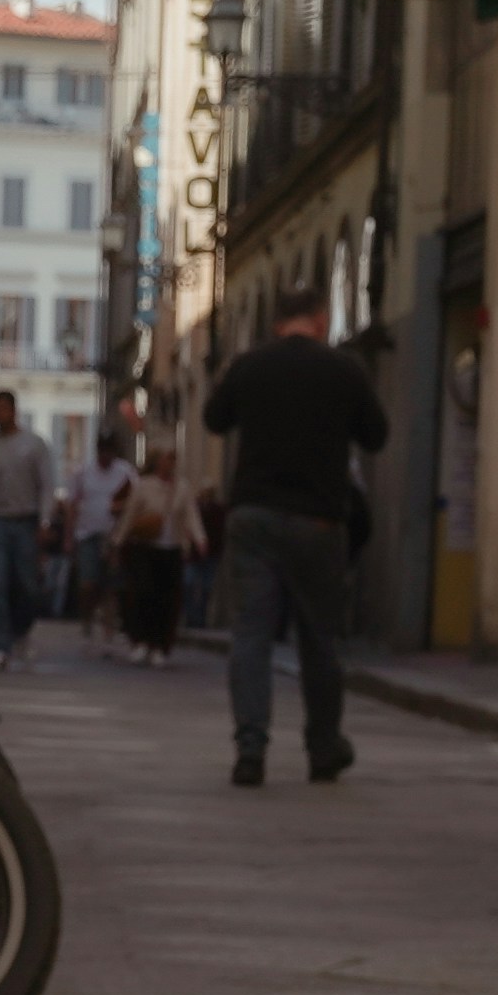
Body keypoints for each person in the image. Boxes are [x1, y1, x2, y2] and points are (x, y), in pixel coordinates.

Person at [200, 289, 388, 786]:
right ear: (321, 320)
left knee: (252, 635)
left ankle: (250, 749)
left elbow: (214, 419)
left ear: (278, 322)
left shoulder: (249, 366)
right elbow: (376, 435)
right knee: (319, 638)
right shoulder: (343, 369)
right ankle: (323, 746)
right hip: (318, 520)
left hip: (254, 513)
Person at [0, 390, 58, 668]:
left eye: (5, 408)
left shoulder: (34, 445)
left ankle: (20, 630)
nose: (0, 414)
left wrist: (45, 521)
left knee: (27, 585)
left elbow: (46, 485)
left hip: (26, 520)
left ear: (14, 410)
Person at [114, 445, 197, 660]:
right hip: (146, 548)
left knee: (167, 598)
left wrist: (199, 539)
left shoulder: (182, 488)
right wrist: (119, 541)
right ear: (158, 461)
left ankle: (160, 644)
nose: (170, 463)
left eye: (173, 459)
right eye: (167, 458)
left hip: (172, 548)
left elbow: (191, 515)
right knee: (143, 594)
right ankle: (141, 640)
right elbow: (130, 515)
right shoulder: (144, 486)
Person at [64, 424, 138, 652]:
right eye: (102, 450)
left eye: (109, 450)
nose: (105, 455)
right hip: (87, 534)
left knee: (110, 584)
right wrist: (69, 535)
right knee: (88, 583)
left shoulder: (125, 472)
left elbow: (137, 500)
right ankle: (87, 617)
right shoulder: (83, 472)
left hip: (113, 536)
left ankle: (108, 627)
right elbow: (72, 505)